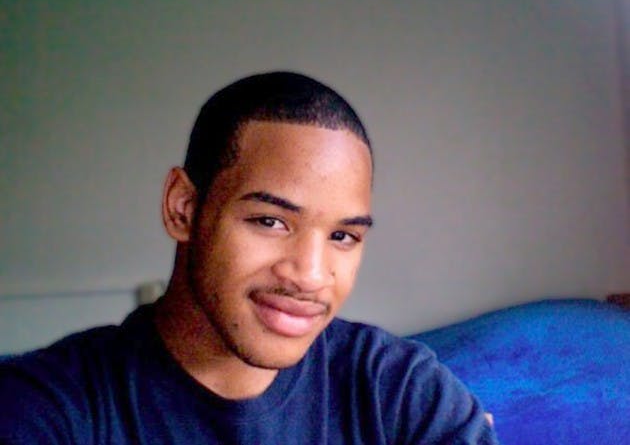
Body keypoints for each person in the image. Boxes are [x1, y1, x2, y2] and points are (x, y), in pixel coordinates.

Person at [0, 72, 498, 444]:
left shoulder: (401, 391)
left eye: (342, 236)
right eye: (270, 221)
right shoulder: (46, 408)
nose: (310, 274)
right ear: (183, 208)